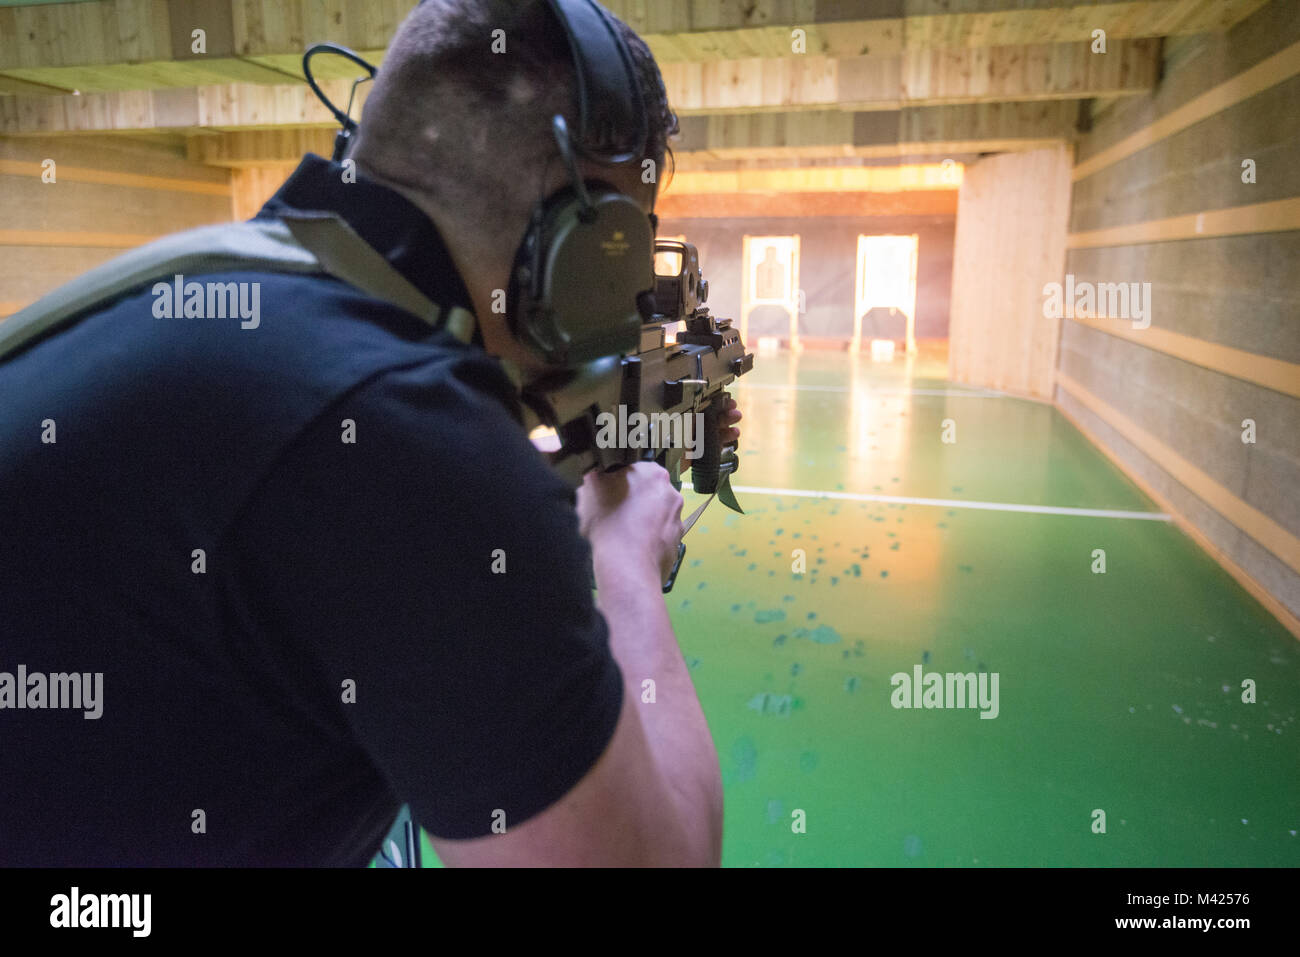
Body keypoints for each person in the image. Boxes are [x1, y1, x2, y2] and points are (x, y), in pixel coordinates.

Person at [0, 0, 734, 866]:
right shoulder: (406, 432)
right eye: (628, 243)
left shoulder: (214, 283)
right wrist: (623, 563)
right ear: (587, 238)